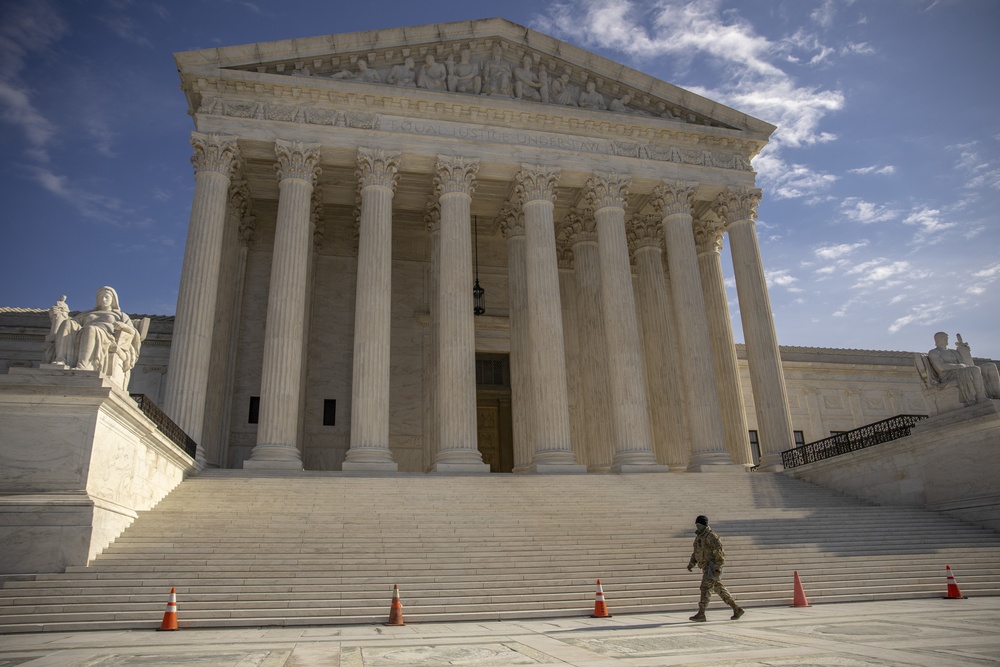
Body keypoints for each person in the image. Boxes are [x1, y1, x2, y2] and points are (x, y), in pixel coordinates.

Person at [45, 286, 141, 375]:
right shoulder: (87, 314)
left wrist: (124, 326)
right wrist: (60, 314)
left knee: (90, 329)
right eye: (101, 297)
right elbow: (70, 323)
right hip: (82, 333)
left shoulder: (121, 315)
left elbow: (133, 333)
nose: (103, 299)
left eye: (106, 297)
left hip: (106, 337)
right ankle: (61, 359)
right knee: (67, 323)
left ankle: (84, 365)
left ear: (113, 299)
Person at [686, 515, 744, 622]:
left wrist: (717, 568)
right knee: (719, 589)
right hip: (705, 567)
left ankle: (701, 613)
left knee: (705, 588)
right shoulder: (699, 537)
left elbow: (720, 553)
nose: (697, 527)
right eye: (696, 525)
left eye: (699, 525)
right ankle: (736, 608)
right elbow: (696, 552)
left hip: (711, 567)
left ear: (705, 525)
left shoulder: (711, 536)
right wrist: (691, 563)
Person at [928, 332, 1000, 403]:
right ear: (938, 340)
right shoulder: (934, 352)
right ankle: (980, 397)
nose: (946, 340)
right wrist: (958, 366)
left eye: (947, 338)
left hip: (963, 370)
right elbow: (941, 367)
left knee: (990, 366)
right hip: (948, 375)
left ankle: (997, 394)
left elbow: (968, 364)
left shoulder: (953, 351)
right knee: (975, 370)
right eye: (944, 338)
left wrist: (963, 349)